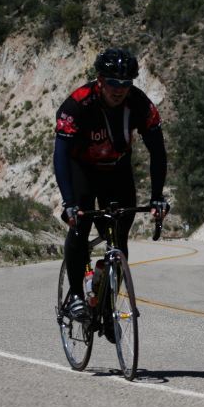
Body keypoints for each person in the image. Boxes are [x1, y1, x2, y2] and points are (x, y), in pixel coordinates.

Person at [54, 47, 169, 320]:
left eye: (126, 83)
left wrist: (156, 196)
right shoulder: (78, 103)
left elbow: (158, 152)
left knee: (118, 236)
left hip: (116, 171)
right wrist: (69, 203)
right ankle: (77, 298)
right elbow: (60, 155)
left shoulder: (140, 104)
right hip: (81, 169)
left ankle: (106, 298)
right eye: (114, 83)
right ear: (100, 80)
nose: (119, 89)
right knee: (79, 227)